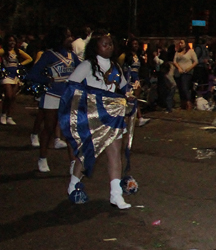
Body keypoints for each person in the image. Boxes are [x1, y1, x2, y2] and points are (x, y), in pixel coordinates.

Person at [59, 33, 135, 210]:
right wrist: (92, 101)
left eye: (110, 44)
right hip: (94, 118)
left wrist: (130, 97)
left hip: (113, 117)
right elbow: (71, 87)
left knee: (115, 154)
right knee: (87, 154)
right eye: (104, 44)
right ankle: (74, 184)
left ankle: (116, 195)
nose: (108, 47)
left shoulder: (116, 66)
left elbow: (124, 89)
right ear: (95, 47)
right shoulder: (87, 65)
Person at [26, 26, 79, 173]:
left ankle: (73, 163)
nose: (71, 38)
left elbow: (82, 72)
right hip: (51, 96)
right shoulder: (49, 55)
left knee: (70, 130)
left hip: (68, 96)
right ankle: (42, 158)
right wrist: (47, 80)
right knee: (49, 128)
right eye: (68, 36)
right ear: (60, 38)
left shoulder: (72, 56)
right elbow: (32, 74)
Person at [1, 35, 33, 125]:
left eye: (14, 41)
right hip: (6, 76)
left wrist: (20, 65)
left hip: (15, 75)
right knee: (8, 95)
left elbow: (29, 58)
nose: (12, 43)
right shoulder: (4, 51)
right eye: (10, 41)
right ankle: (3, 114)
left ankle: (9, 116)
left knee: (13, 97)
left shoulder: (18, 51)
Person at [119, 37, 149, 127]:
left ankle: (137, 117)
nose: (136, 46)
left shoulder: (138, 55)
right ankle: (137, 118)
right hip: (129, 79)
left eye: (137, 44)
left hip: (136, 78)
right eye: (134, 44)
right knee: (131, 98)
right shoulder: (125, 56)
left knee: (135, 98)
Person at [171, 39, 197, 110]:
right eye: (180, 43)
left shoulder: (190, 52)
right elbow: (174, 61)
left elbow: (195, 61)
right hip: (178, 73)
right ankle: (183, 104)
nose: (180, 44)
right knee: (180, 88)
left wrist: (189, 68)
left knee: (185, 87)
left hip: (187, 72)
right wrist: (179, 68)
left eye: (182, 43)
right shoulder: (177, 52)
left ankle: (189, 103)